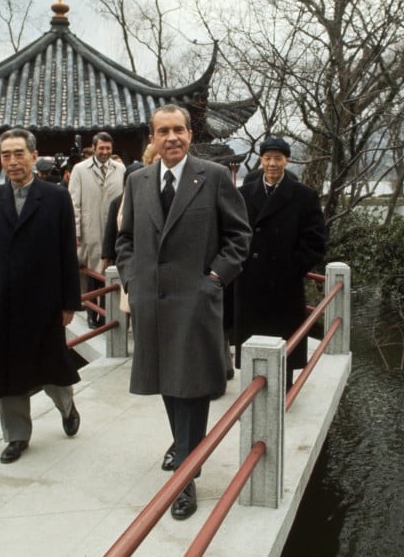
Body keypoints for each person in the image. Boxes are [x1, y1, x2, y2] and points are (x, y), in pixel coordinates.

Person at [116, 104, 251, 520]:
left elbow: (239, 236)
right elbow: (123, 240)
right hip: (153, 303)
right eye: (163, 131)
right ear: (152, 137)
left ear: (191, 135)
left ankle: (186, 479)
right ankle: (183, 446)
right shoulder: (137, 181)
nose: (171, 137)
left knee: (192, 390)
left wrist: (214, 279)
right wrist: (133, 281)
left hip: (195, 301)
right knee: (169, 387)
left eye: (179, 130)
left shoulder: (211, 177)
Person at [0, 128, 83, 464]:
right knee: (7, 370)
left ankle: (67, 406)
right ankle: (16, 436)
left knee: (51, 366)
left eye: (19, 153)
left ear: (33, 155)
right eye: (6, 155)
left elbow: (67, 254)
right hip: (2, 304)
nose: (13, 162)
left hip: (44, 301)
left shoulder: (56, 198)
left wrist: (69, 302)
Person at [232, 136, 327, 392]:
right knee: (253, 343)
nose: (272, 163)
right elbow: (231, 233)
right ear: (260, 160)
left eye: (278, 158)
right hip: (250, 281)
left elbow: (316, 240)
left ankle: (280, 396)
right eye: (267, 158)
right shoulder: (243, 194)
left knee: (282, 342)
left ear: (287, 160)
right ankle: (251, 396)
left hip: (284, 284)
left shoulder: (303, 196)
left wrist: (292, 267)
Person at [68, 131, 126, 327]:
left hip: (113, 229)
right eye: (101, 148)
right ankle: (93, 315)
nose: (105, 152)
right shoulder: (80, 169)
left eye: (108, 148)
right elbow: (73, 203)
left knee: (110, 271)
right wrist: (75, 231)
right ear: (94, 148)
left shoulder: (120, 169)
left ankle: (108, 315)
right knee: (92, 272)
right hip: (90, 227)